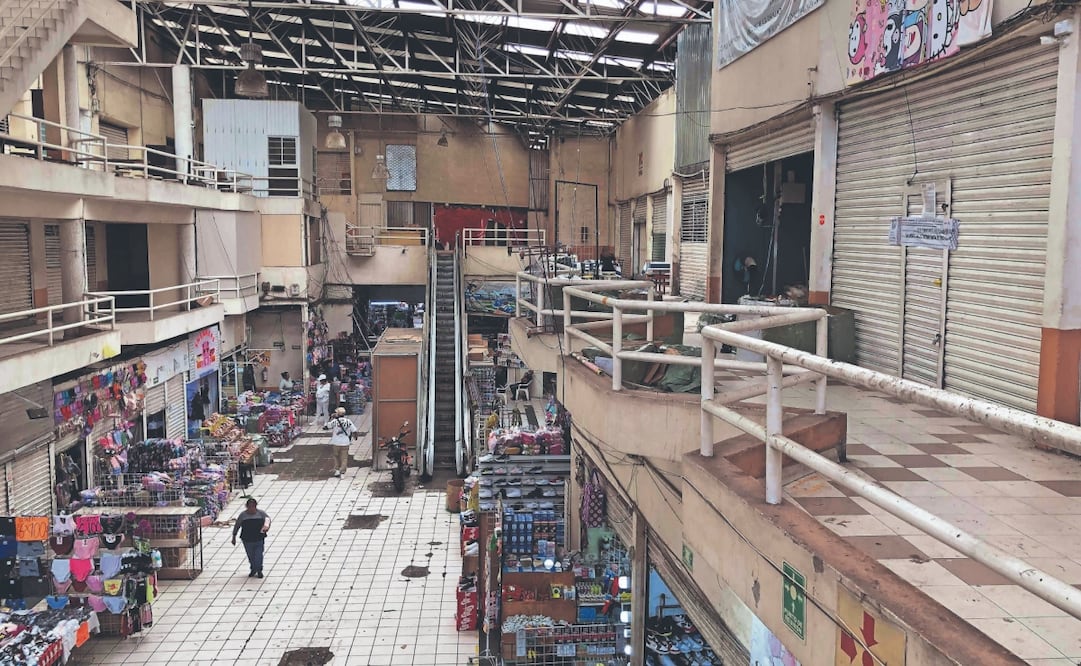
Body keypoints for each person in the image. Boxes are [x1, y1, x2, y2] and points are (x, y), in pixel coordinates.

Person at [231, 498, 270, 578]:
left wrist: (266, 528)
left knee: (259, 555)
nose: (251, 508)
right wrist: (234, 536)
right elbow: (237, 526)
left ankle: (259, 570)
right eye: (250, 507)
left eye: (253, 506)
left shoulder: (261, 514)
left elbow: (267, 521)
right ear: (246, 506)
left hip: (259, 539)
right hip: (247, 540)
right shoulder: (243, 515)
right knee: (251, 556)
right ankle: (253, 569)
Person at [324, 407, 358, 478]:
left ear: (337, 414)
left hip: (336, 442)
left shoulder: (334, 421)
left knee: (336, 456)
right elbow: (354, 430)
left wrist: (331, 418)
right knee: (344, 458)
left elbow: (326, 426)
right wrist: (355, 437)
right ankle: (342, 472)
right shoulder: (348, 421)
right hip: (345, 442)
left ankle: (337, 470)